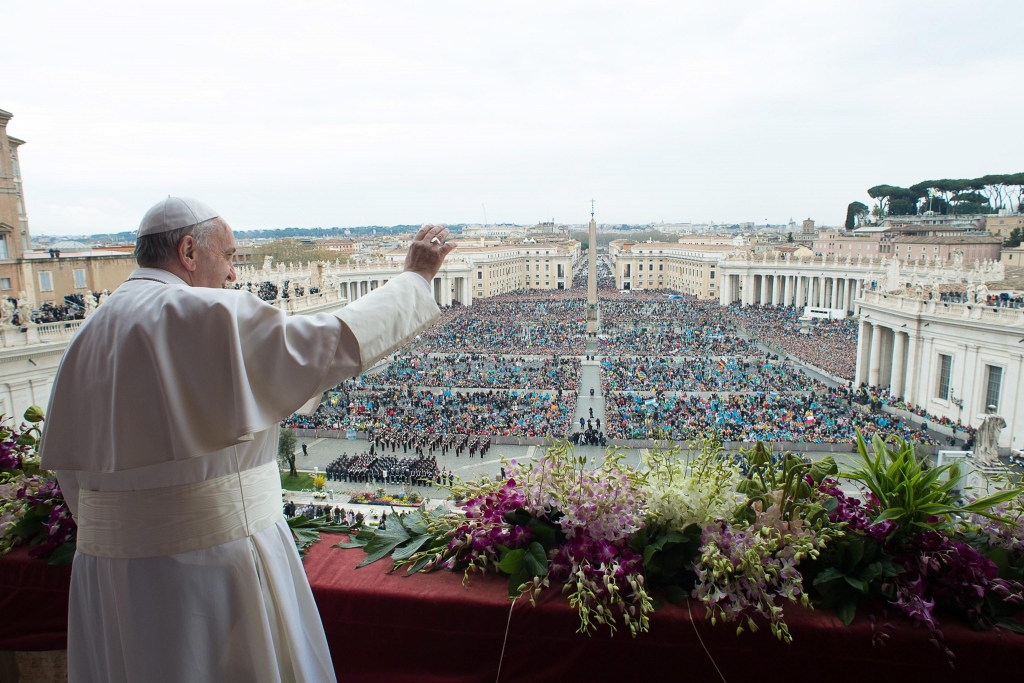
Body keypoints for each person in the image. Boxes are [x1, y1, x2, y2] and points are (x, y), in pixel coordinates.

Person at [39, 197, 456, 683]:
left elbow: (73, 480)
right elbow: (328, 344)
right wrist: (414, 280)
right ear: (189, 251)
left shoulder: (88, 333)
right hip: (211, 568)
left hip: (109, 579)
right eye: (231, 256)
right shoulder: (205, 313)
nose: (235, 275)